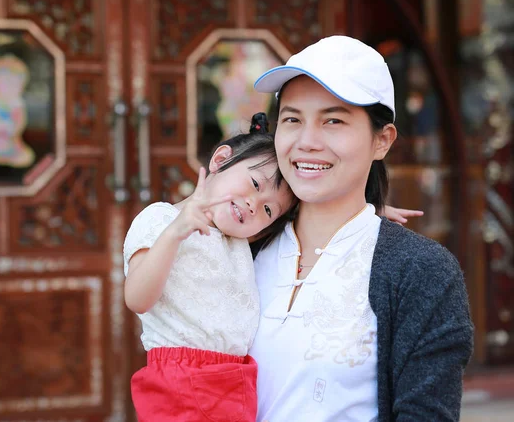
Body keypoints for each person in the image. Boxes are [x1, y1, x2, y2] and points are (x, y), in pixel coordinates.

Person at [123, 112, 419, 422]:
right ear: (220, 159)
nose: (253, 203)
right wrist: (175, 234)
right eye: (253, 183)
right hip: (180, 378)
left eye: (268, 209)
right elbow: (137, 299)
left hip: (235, 381)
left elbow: (309, 212)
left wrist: (368, 211)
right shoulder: (161, 220)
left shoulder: (240, 241)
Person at [248, 35, 474, 422]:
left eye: (333, 120)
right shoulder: (241, 247)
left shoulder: (420, 271)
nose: (307, 142)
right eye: (292, 119)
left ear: (382, 140)